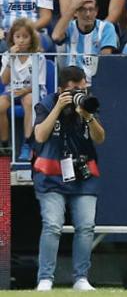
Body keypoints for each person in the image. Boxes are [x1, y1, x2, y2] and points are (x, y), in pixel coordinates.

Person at [33, 66, 105, 292]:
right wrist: (58, 108)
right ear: (62, 89)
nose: (79, 94)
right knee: (53, 225)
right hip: (51, 175)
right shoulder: (46, 103)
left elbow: (100, 138)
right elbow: (40, 135)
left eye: (82, 88)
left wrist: (89, 117)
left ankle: (81, 277)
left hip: (83, 175)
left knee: (86, 226)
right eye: (74, 90)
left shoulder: (88, 104)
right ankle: (45, 278)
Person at [0, 19, 46, 160]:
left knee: (28, 100)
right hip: (12, 91)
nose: (21, 41)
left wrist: (25, 91)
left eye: (25, 37)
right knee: (0, 105)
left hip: (32, 91)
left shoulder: (38, 57)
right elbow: (4, 81)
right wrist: (11, 59)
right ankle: (5, 144)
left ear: (32, 39)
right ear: (12, 38)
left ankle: (27, 143)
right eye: (17, 36)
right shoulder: (7, 56)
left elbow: (38, 83)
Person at [52, 0, 118, 86]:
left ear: (96, 11)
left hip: (97, 83)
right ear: (76, 12)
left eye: (91, 9)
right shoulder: (69, 26)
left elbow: (105, 60)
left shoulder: (106, 28)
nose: (87, 14)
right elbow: (56, 36)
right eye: (83, 9)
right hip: (72, 84)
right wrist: (72, 6)